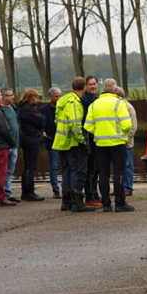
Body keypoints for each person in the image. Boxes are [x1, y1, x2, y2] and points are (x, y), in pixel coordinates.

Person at [84, 79, 135, 212]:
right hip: (118, 143)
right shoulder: (120, 103)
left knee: (103, 174)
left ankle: (106, 204)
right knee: (119, 172)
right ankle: (120, 203)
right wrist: (122, 135)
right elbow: (127, 124)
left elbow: (88, 126)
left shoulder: (94, 104)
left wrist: (99, 133)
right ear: (115, 88)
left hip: (100, 144)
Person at [54, 77, 94, 212]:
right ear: (84, 88)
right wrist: (81, 138)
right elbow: (75, 123)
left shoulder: (63, 100)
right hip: (74, 142)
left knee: (67, 171)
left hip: (62, 141)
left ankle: (66, 201)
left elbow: (56, 120)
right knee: (78, 171)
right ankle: (77, 202)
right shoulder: (75, 102)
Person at [16, 89, 46, 202]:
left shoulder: (23, 109)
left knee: (29, 166)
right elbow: (41, 121)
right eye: (36, 97)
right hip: (31, 139)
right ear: (32, 98)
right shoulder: (28, 110)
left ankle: (27, 191)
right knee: (30, 166)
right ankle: (28, 191)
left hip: (29, 138)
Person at [80, 75, 101, 207]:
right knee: (90, 169)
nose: (93, 86)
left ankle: (94, 193)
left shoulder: (96, 99)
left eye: (94, 84)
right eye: (90, 84)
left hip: (96, 138)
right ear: (86, 86)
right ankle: (90, 195)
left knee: (96, 169)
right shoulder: (85, 100)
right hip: (89, 138)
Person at [114, 86, 138, 197]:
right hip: (118, 142)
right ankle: (119, 188)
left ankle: (127, 187)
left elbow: (133, 127)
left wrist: (126, 140)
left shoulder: (128, 108)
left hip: (126, 144)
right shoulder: (119, 107)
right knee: (119, 166)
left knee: (127, 166)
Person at [39, 87, 62, 199]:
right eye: (56, 96)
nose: (58, 98)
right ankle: (56, 189)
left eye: (59, 96)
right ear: (50, 97)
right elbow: (41, 123)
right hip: (52, 139)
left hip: (63, 139)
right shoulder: (44, 110)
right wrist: (43, 132)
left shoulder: (63, 107)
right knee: (53, 165)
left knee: (68, 164)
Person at [0, 88, 21, 203]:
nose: (12, 97)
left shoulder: (13, 107)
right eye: (10, 95)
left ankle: (8, 192)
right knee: (3, 170)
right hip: (5, 145)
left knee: (10, 170)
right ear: (3, 96)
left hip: (15, 144)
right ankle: (3, 194)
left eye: (12, 95)